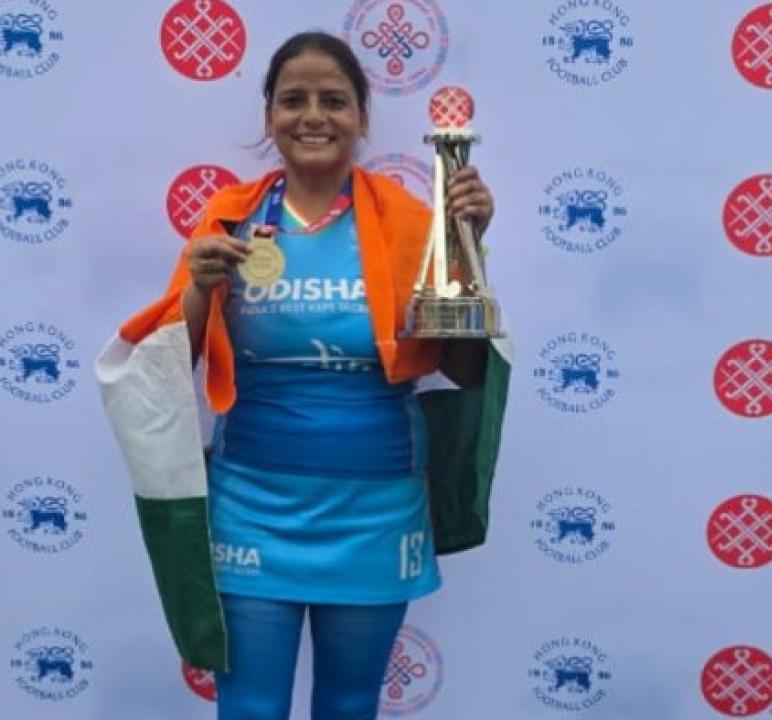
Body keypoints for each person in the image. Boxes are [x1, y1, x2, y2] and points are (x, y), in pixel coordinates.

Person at [133, 31, 495, 719]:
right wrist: (200, 290)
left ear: (362, 116)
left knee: (350, 706)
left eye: (333, 100)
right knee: (250, 708)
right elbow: (167, 370)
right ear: (269, 115)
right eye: (293, 99)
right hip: (251, 511)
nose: (313, 116)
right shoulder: (229, 220)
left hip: (376, 514)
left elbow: (465, 371)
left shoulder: (415, 225)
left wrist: (466, 248)